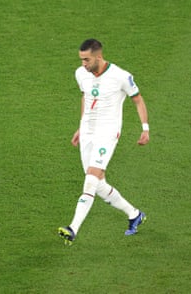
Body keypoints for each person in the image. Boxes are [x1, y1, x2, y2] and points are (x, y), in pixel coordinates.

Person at [58, 39, 150, 245]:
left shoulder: (120, 76)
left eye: (87, 60)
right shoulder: (81, 74)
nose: (83, 64)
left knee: (90, 180)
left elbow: (138, 100)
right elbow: (86, 97)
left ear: (98, 57)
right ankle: (134, 214)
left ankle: (73, 228)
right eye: (81, 59)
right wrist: (81, 127)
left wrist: (145, 128)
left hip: (107, 134)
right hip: (88, 133)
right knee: (98, 184)